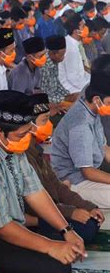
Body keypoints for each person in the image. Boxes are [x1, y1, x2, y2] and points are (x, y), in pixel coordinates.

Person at [0, 90, 87, 273]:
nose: (27, 138)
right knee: (55, 267)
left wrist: (67, 230)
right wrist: (50, 247)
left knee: (68, 246)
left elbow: (35, 191)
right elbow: (0, 227)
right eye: (22, 134)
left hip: (14, 226)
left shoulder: (10, 144)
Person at [26, 93, 104, 244]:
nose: (49, 125)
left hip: (54, 207)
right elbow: (35, 203)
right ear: (29, 125)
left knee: (91, 219)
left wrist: (88, 206)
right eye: (44, 120)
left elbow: (58, 187)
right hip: (39, 214)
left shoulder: (37, 151)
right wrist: (71, 212)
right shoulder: (23, 156)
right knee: (86, 228)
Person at [51, 55, 110, 208]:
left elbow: (104, 148)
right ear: (97, 99)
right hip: (73, 181)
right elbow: (88, 172)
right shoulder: (80, 124)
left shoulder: (92, 106)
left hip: (87, 173)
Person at [58, 14, 90, 94]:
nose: (86, 28)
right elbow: (73, 78)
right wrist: (90, 87)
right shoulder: (71, 49)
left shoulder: (75, 43)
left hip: (78, 83)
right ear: (76, 31)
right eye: (83, 26)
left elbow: (81, 72)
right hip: (70, 88)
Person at [40, 35, 72, 109]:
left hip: (55, 99)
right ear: (53, 54)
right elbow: (43, 95)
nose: (64, 57)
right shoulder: (44, 67)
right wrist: (62, 101)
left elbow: (56, 83)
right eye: (62, 54)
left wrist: (67, 95)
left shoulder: (54, 61)